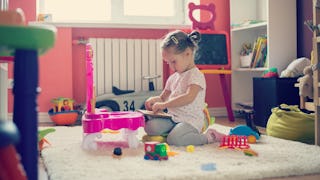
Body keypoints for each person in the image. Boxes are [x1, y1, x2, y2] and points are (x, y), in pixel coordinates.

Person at [144, 30, 225, 146]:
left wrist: (163, 105)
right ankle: (177, 132)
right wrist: (153, 101)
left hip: (190, 120)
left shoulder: (196, 75)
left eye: (173, 62)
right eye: (168, 63)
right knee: (150, 127)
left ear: (187, 53)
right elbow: (162, 98)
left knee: (175, 140)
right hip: (173, 118)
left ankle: (208, 137)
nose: (171, 67)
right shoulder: (173, 78)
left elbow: (189, 97)